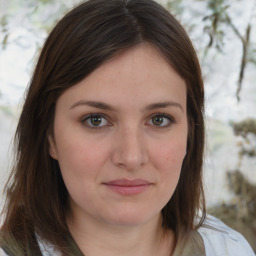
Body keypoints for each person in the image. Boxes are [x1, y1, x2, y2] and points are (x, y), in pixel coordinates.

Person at [0, 0, 254, 255]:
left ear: (190, 133)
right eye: (95, 120)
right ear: (49, 136)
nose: (131, 157)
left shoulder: (229, 250)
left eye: (159, 120)